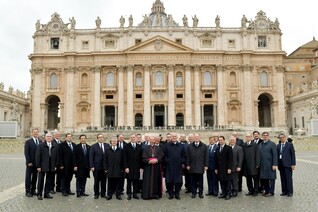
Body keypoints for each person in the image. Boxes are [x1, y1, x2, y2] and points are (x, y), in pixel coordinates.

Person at [35, 132, 59, 200]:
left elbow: (56, 156)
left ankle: (46, 193)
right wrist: (38, 166)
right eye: (47, 136)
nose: (49, 138)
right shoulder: (41, 145)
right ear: (45, 138)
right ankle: (39, 193)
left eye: (50, 136)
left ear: (52, 138)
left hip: (51, 166)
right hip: (43, 166)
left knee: (49, 180)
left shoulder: (55, 145)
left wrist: (55, 165)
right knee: (41, 180)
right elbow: (38, 156)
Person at [164, 133, 186, 200]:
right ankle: (170, 193)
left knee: (178, 181)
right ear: (171, 137)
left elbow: (184, 155)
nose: (174, 137)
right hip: (169, 165)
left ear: (177, 137)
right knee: (169, 180)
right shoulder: (166, 145)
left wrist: (181, 161)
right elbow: (164, 155)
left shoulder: (181, 146)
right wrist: (167, 161)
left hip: (178, 165)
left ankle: (177, 193)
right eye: (173, 136)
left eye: (175, 136)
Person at [186, 133, 208, 199]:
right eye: (195, 137)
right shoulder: (189, 146)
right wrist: (187, 164)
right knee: (192, 181)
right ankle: (193, 193)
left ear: (199, 137)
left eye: (197, 137)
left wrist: (206, 165)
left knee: (200, 181)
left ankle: (200, 193)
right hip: (192, 166)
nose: (196, 138)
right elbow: (188, 156)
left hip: (200, 166)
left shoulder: (204, 146)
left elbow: (206, 157)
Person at [89, 133, 110, 199]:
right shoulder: (93, 146)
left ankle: (103, 194)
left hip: (105, 167)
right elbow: (91, 157)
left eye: (102, 137)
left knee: (104, 181)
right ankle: (96, 194)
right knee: (96, 181)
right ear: (97, 138)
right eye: (99, 137)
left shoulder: (107, 145)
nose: (101, 138)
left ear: (103, 138)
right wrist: (92, 166)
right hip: (96, 167)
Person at [123, 133, 143, 200]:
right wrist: (126, 167)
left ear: (136, 138)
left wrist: (141, 167)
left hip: (137, 167)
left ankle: (135, 194)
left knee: (136, 181)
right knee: (129, 181)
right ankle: (129, 194)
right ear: (130, 138)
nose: (133, 138)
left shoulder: (139, 146)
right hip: (129, 167)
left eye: (134, 137)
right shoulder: (126, 146)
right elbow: (124, 158)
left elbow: (141, 158)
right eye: (131, 137)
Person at [259, 132, 278, 197]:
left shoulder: (272, 144)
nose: (265, 136)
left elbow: (275, 155)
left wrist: (274, 164)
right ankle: (266, 191)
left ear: (268, 136)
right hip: (262, 164)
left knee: (271, 179)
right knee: (264, 178)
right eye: (264, 135)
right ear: (262, 136)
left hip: (270, 164)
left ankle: (271, 192)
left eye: (266, 135)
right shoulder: (260, 144)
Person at [215, 136, 233, 200]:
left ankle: (228, 194)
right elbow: (216, 159)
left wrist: (229, 168)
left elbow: (230, 159)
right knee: (221, 181)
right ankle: (224, 193)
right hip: (219, 169)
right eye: (219, 140)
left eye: (221, 140)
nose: (220, 141)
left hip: (226, 168)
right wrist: (216, 168)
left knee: (227, 182)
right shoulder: (217, 148)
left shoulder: (228, 148)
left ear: (224, 140)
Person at [24, 128, 40, 197]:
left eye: (36, 132)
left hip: (37, 163)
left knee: (35, 177)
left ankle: (33, 190)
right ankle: (27, 191)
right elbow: (26, 153)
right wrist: (28, 162)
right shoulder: (28, 142)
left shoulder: (40, 141)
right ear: (32, 133)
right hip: (30, 163)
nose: (35, 133)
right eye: (34, 132)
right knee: (28, 177)